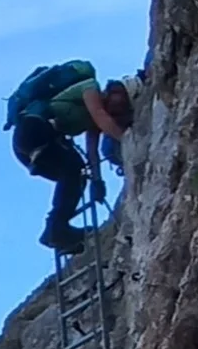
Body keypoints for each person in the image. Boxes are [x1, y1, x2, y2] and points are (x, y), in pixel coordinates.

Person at [8, 63, 133, 255]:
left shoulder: (94, 121)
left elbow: (93, 153)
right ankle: (57, 230)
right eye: (121, 99)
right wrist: (128, 140)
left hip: (31, 143)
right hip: (34, 128)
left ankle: (57, 230)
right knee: (73, 167)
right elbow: (100, 116)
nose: (120, 106)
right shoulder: (90, 87)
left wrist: (97, 182)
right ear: (113, 89)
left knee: (75, 175)